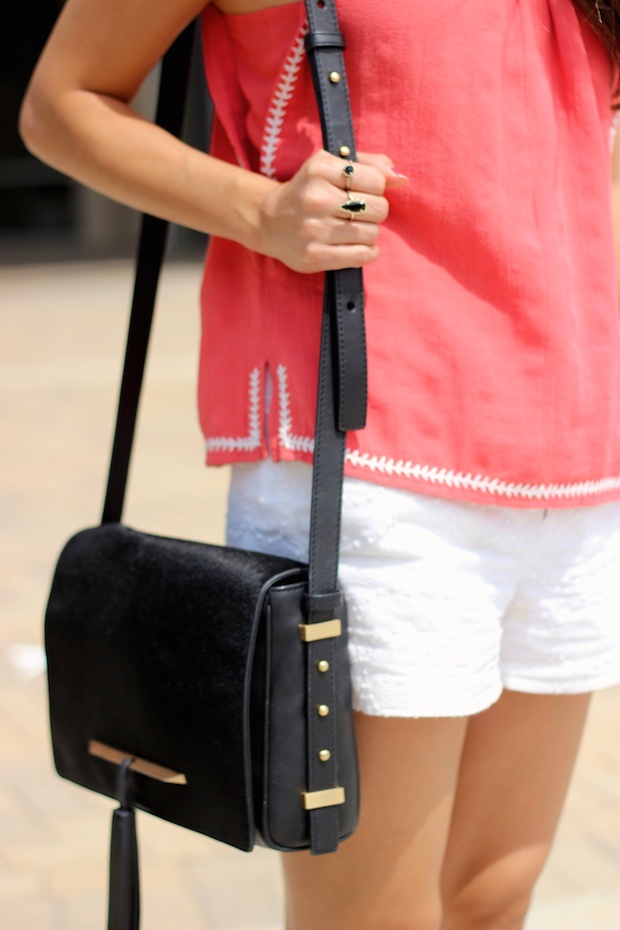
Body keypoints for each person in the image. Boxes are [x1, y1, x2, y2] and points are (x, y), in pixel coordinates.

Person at [19, 1, 620, 928]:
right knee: (373, 917)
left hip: (571, 457)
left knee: (491, 901)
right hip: (372, 458)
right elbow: (62, 102)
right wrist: (260, 210)